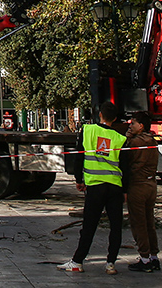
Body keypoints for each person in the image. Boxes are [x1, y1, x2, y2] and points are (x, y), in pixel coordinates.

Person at [59, 101, 126, 274]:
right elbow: (125, 166)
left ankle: (78, 261)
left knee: (89, 225)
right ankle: (111, 263)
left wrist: (78, 179)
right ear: (116, 118)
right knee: (116, 226)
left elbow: (79, 156)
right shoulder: (120, 138)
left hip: (95, 186)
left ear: (100, 115)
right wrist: (125, 189)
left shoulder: (88, 131)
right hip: (114, 187)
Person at [121, 110, 161, 272]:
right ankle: (154, 256)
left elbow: (124, 157)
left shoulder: (135, 143)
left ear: (141, 125)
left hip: (137, 185)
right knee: (149, 222)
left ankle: (144, 259)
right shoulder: (152, 141)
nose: (130, 126)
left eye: (133, 124)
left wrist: (128, 136)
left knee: (139, 223)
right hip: (151, 185)